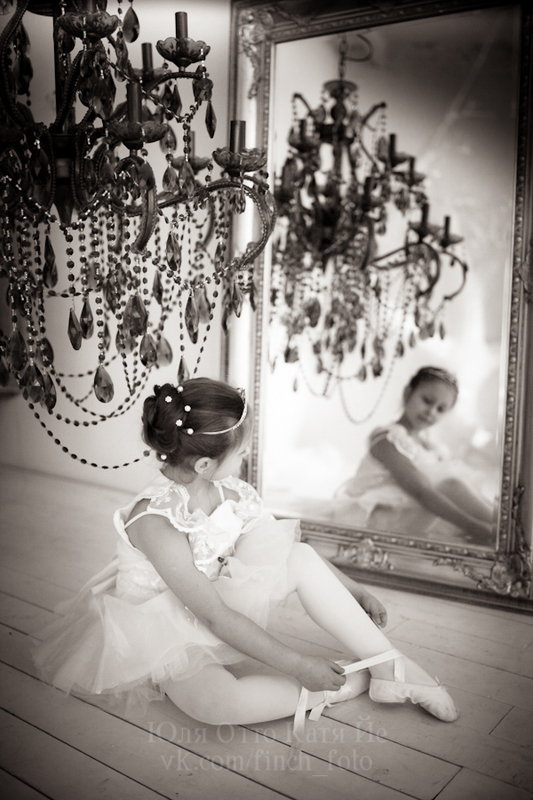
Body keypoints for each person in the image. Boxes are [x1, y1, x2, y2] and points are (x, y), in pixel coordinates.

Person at [33, 377, 458, 741]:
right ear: (204, 463)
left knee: (299, 554)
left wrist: (354, 590)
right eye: (240, 454)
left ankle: (392, 667)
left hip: (216, 601)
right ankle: (337, 686)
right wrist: (299, 666)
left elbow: (287, 549)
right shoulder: (155, 521)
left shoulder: (232, 493)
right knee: (216, 704)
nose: (245, 459)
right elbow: (214, 616)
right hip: (166, 627)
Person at [335, 367, 494, 544]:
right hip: (380, 515)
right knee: (451, 486)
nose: (431, 412)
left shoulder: (433, 448)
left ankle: (504, 524)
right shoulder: (387, 439)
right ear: (408, 393)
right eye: (427, 401)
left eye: (441, 409)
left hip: (416, 512)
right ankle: (502, 529)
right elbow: (420, 491)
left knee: (458, 486)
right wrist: (472, 526)